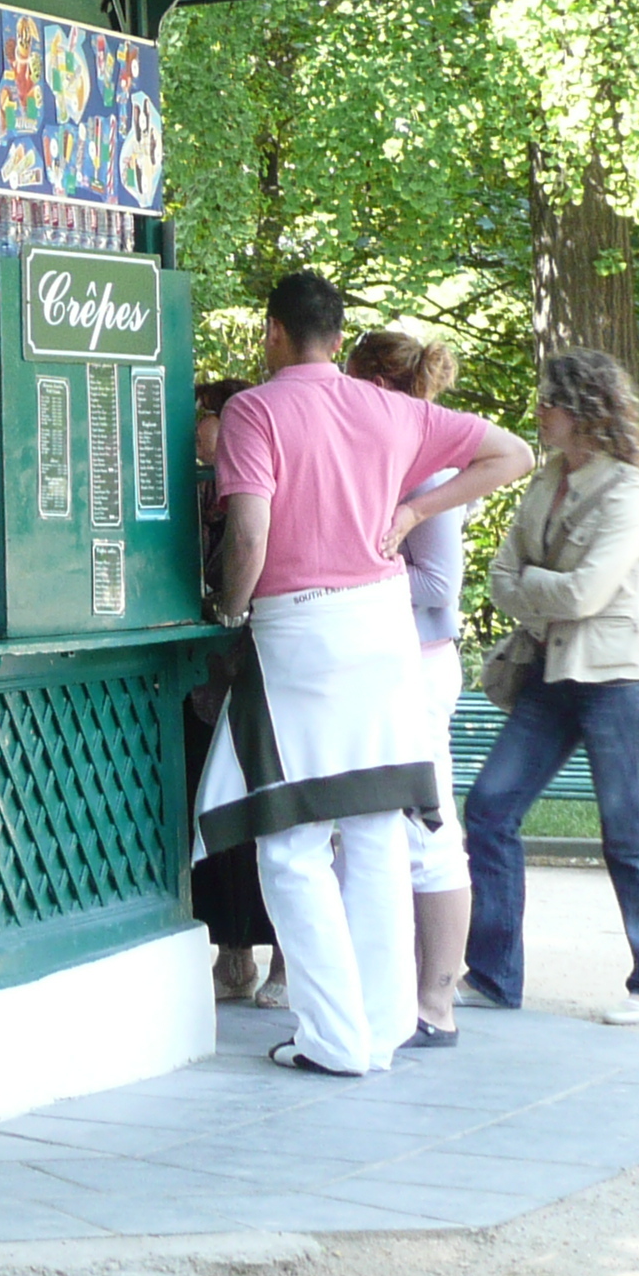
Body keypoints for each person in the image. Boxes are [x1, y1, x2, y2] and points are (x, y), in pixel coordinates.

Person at [197, 274, 534, 1077]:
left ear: (274, 333)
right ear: (339, 339)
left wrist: (229, 610)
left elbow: (248, 532)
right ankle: (382, 1031)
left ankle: (332, 1038)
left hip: (298, 629)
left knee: (292, 841)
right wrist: (414, 513)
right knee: (380, 830)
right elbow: (513, 453)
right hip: (385, 627)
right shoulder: (391, 409)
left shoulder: (256, 409)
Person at [462, 348, 639, 1026]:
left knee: (629, 832)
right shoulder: (548, 476)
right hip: (550, 672)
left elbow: (585, 594)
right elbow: (500, 573)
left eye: (548, 402)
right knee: (490, 809)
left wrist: (532, 586)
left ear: (583, 408)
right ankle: (494, 975)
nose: (538, 413)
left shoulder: (629, 493)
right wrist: (536, 589)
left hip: (617, 679)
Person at [346, 330, 478, 1047]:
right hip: (379, 661)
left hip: (420, 664)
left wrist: (355, 574)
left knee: (430, 829)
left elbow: (437, 586)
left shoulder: (428, 473)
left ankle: (437, 1003)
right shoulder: (385, 460)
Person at [184, 379, 279, 1004]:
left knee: (273, 820)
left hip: (259, 675)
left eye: (205, 415)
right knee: (212, 818)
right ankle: (233, 954)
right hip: (204, 683)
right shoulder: (193, 495)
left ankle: (291, 961)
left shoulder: (263, 485)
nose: (194, 428)